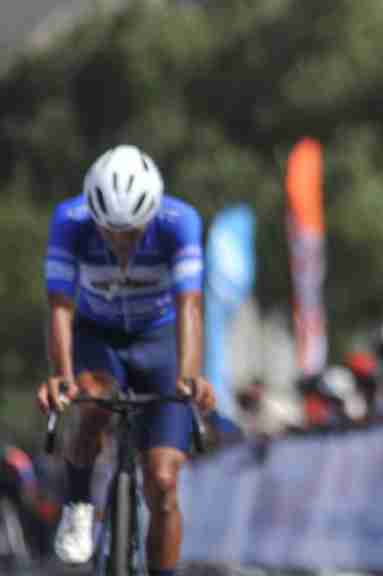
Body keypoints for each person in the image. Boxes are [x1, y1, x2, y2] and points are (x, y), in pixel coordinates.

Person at [36, 145, 215, 576]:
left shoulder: (181, 222)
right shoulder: (69, 221)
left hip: (160, 341)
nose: (120, 243)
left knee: (164, 482)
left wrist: (189, 376)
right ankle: (79, 503)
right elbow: (60, 306)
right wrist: (62, 376)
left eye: (132, 233)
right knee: (91, 400)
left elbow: (190, 305)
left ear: (152, 214)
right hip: (98, 336)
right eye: (109, 232)